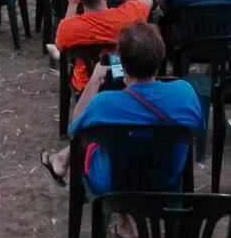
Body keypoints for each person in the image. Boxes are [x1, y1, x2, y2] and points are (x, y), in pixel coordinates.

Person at [40, 23, 204, 219]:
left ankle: (126, 221)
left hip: (113, 182)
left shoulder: (105, 103)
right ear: (160, 57)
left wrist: (94, 81)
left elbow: (75, 130)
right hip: (165, 178)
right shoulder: (185, 93)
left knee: (97, 143)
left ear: (122, 63)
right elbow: (199, 129)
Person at [46, 0, 154, 91]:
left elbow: (62, 46)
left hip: (87, 86)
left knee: (63, 52)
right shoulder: (128, 15)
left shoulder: (69, 27)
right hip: (124, 81)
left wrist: (72, 5)